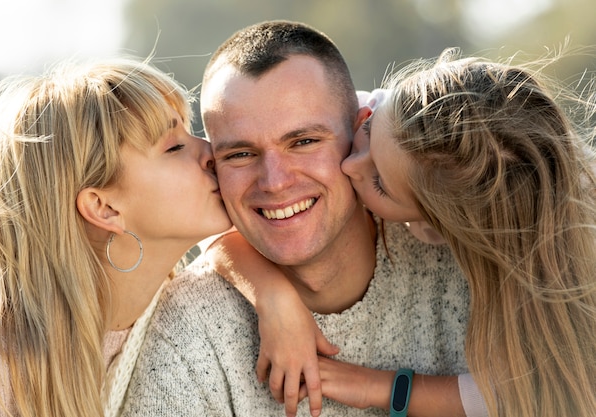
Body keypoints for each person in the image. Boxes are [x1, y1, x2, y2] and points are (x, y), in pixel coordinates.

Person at [121, 21, 477, 417]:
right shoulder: (187, 333)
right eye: (240, 154)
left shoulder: (465, 259)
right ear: (214, 164)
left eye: (304, 142)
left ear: (361, 135)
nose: (274, 182)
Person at [246, 49, 596, 417]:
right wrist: (272, 297)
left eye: (380, 184)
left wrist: (380, 387)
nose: (349, 165)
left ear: (435, 231)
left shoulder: (551, 259)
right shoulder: (387, 114)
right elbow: (223, 207)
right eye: (367, 131)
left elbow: (536, 390)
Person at [0, 57, 232, 417]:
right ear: (104, 208)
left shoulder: (195, 313)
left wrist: (272, 296)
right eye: (174, 147)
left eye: (191, 132)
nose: (211, 152)